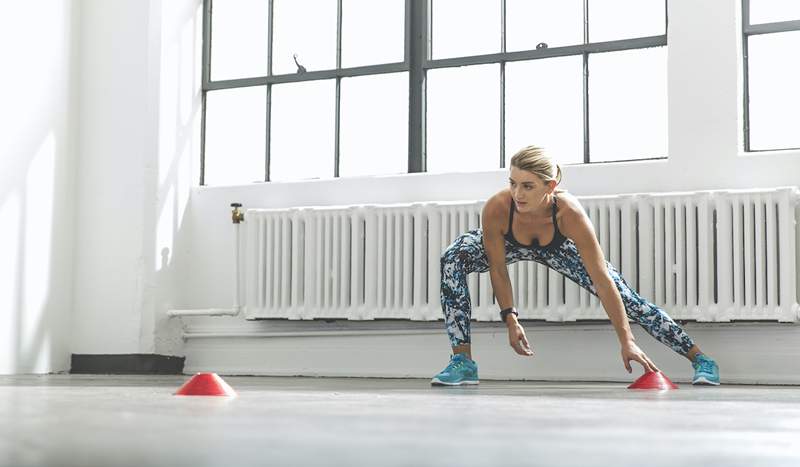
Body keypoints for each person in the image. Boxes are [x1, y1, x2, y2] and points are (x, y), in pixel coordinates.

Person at [432, 145, 720, 386]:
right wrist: (511, 319)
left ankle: (701, 359)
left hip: (558, 247)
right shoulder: (498, 207)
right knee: (452, 257)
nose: (518, 193)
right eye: (513, 183)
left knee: (628, 299)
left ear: (550, 186)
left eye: (528, 186)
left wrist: (627, 340)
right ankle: (463, 361)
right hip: (509, 243)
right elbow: (498, 268)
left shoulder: (569, 213)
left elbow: (603, 281)